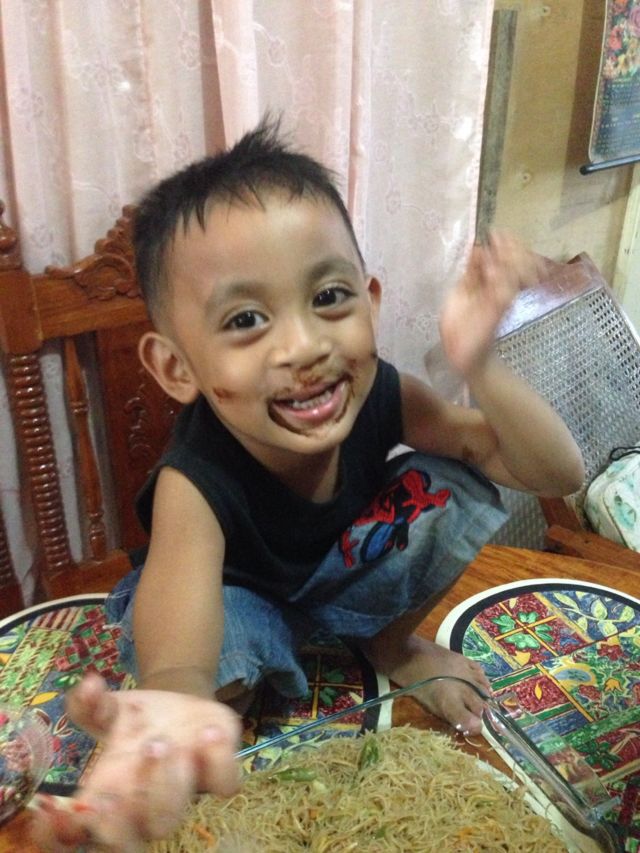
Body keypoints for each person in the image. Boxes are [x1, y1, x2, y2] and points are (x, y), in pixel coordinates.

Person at [32, 119, 584, 850]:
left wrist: (480, 364)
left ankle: (392, 646)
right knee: (217, 682)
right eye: (247, 319)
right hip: (239, 606)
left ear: (371, 301)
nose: (304, 346)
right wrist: (174, 707)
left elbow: (556, 474)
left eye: (328, 297)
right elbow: (178, 644)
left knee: (453, 480)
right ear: (176, 367)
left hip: (339, 582)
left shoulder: (385, 392)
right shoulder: (193, 478)